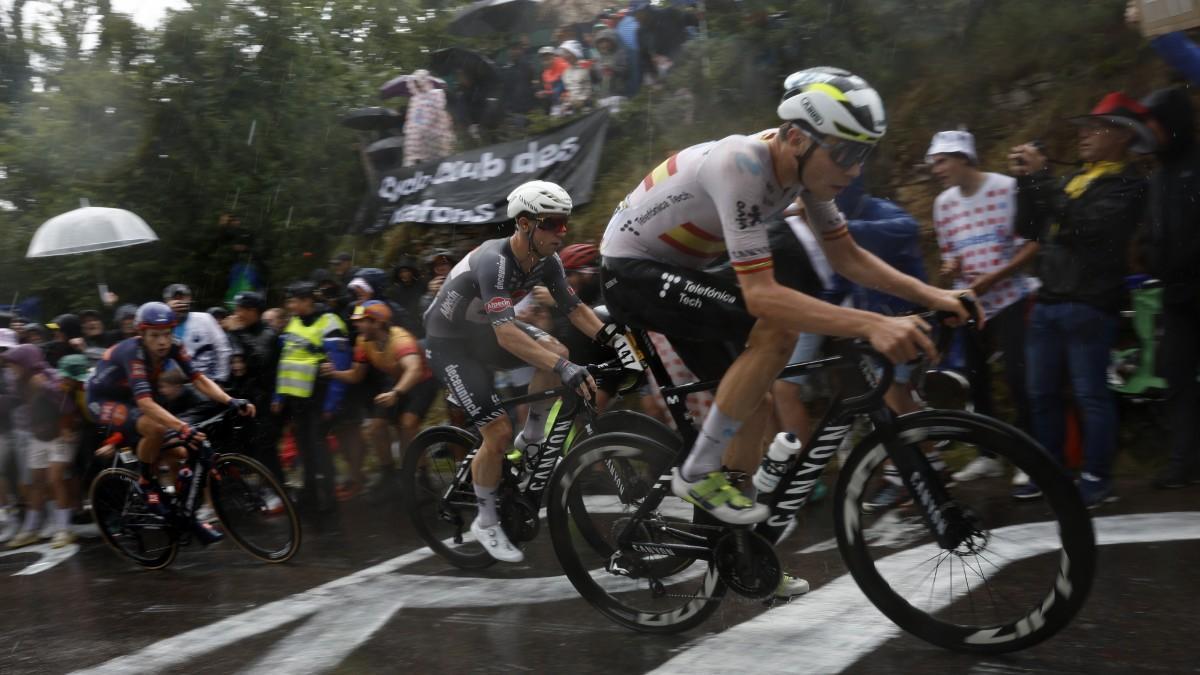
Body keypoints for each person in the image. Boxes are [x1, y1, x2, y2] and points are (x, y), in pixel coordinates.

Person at [598, 67, 975, 530]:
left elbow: (848, 257)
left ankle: (732, 537)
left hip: (679, 272)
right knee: (776, 329)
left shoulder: (803, 173)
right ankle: (696, 472)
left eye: (863, 154)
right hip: (630, 272)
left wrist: (936, 295)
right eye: (845, 152)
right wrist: (873, 323)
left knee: (751, 397)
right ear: (796, 137)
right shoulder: (742, 165)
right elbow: (762, 297)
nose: (854, 170)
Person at [424, 180, 621, 563]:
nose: (561, 232)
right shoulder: (494, 260)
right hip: (449, 343)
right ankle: (485, 521)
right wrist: (564, 368)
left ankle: (531, 437)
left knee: (557, 349)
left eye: (564, 223)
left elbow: (576, 310)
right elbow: (506, 334)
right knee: (497, 432)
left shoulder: (548, 261)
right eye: (552, 223)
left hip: (484, 331)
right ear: (525, 224)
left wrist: (619, 342)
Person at [1009, 91, 1152, 507]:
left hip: (1091, 303)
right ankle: (1050, 473)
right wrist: (1026, 182)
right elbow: (1028, 228)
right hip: (1049, 300)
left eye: (1096, 128)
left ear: (1124, 136)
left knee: (1091, 395)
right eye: (1084, 128)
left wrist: (1042, 178)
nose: (1084, 135)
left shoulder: (1128, 184)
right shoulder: (1073, 179)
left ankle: (1096, 477)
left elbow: (1086, 228)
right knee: (1041, 394)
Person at [85, 302, 255, 544]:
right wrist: (182, 427)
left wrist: (231, 400)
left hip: (132, 397)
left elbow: (199, 379)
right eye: (155, 336)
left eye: (166, 334)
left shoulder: (174, 346)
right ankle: (145, 484)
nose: (162, 341)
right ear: (141, 334)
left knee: (181, 452)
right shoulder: (132, 353)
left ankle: (183, 515)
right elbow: (145, 404)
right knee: (156, 428)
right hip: (102, 399)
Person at [928, 129, 1038, 483]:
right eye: (933, 163)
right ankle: (988, 456)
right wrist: (950, 268)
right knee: (976, 382)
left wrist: (994, 277)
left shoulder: (1006, 188)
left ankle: (1028, 459)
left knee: (1019, 379)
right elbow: (949, 255)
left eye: (942, 161)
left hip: (1010, 297)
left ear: (964, 158)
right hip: (969, 303)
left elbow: (1031, 245)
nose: (936, 169)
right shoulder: (943, 204)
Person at [1141, 87, 1200, 489]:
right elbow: (1153, 231)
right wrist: (1151, 256)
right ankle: (1183, 463)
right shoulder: (1159, 175)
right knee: (1177, 378)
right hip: (1175, 296)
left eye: (1156, 123)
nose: (1151, 132)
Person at [322, 300, 437, 500]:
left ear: (377, 322)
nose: (356, 325)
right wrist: (334, 373)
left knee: (408, 425)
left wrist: (396, 393)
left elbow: (414, 370)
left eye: (362, 321)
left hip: (422, 382)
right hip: (396, 381)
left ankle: (423, 477)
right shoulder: (363, 341)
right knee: (375, 428)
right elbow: (356, 375)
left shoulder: (401, 340)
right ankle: (389, 476)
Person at [272, 282, 350, 513]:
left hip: (319, 396)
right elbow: (286, 362)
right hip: (297, 400)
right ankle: (310, 494)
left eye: (294, 301)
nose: (290, 305)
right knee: (304, 447)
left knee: (319, 447)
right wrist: (279, 397)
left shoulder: (329, 322)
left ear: (307, 301)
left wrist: (331, 404)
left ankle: (329, 496)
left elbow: (339, 367)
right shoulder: (294, 323)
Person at [225, 291, 284, 481]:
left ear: (253, 311)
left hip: (266, 400)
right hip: (247, 398)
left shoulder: (268, 333)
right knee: (248, 447)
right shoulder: (242, 331)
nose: (236, 314)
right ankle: (260, 486)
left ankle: (278, 487)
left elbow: (260, 359)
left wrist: (238, 332)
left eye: (240, 309)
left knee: (266, 447)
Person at [163, 283, 233, 384]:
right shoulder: (160, 323)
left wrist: (221, 379)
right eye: (175, 299)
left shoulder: (205, 319)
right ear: (166, 302)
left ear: (190, 299)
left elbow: (223, 349)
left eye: (182, 298)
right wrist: (167, 314)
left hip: (205, 381)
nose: (179, 302)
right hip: (171, 385)